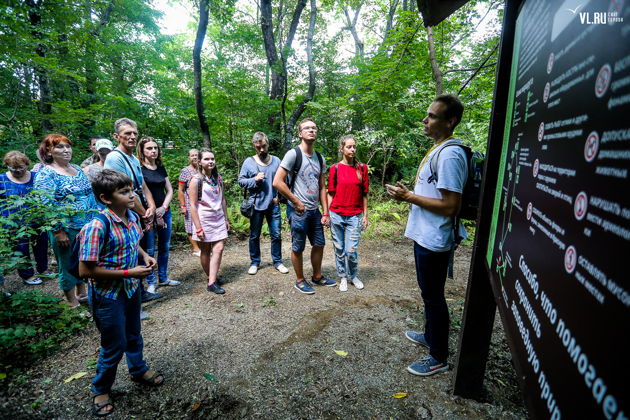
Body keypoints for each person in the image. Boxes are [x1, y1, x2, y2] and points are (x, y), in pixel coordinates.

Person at [386, 94, 468, 377]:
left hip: (435, 239)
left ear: (450, 121)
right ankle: (430, 336)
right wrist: (407, 196)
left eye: (432, 115)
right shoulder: (438, 149)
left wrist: (409, 196)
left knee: (434, 297)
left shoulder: (450, 154)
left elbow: (450, 205)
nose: (425, 119)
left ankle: (438, 357)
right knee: (428, 293)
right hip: (425, 236)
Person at [78, 169, 163, 417]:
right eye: (124, 192)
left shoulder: (132, 219)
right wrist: (128, 274)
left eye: (131, 190)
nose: (131, 195)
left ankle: (138, 369)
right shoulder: (97, 226)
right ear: (106, 198)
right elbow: (85, 270)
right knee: (114, 344)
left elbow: (131, 242)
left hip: (130, 290)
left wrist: (145, 256)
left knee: (134, 333)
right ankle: (101, 388)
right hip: (107, 295)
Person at [34, 134, 99, 307]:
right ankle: (71, 301)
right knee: (67, 263)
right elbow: (46, 205)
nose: (66, 150)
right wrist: (58, 230)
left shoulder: (77, 168)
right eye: (60, 147)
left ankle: (82, 292)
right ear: (49, 150)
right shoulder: (46, 174)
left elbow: (90, 195)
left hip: (86, 226)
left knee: (83, 260)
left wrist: (96, 219)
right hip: (66, 228)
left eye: (68, 146)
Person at [104, 118, 161, 312]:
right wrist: (145, 214)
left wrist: (151, 207)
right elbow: (124, 190)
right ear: (117, 136)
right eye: (127, 133)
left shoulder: (134, 159)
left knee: (142, 251)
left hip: (137, 213)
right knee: (128, 255)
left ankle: (140, 292)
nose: (132, 137)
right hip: (122, 215)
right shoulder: (115, 158)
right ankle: (131, 301)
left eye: (134, 133)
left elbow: (142, 186)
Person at [273, 118, 335, 294]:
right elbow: (277, 182)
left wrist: (326, 212)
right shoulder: (293, 154)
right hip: (298, 210)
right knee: (298, 246)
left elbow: (322, 186)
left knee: (319, 244)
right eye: (307, 128)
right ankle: (300, 280)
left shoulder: (320, 158)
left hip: (315, 210)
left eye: (314, 128)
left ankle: (317, 276)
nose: (311, 130)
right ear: (300, 134)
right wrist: (296, 202)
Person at [238, 132, 289, 275]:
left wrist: (279, 196)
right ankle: (255, 262)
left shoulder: (277, 161)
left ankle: (278, 261)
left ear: (267, 144)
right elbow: (241, 181)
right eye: (258, 147)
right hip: (256, 205)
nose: (261, 150)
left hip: (273, 205)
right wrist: (254, 180)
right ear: (254, 146)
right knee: (254, 235)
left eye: (264, 146)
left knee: (276, 235)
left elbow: (284, 181)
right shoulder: (249, 162)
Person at [0, 151, 51, 292]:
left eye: (21, 167)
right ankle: (27, 275)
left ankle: (43, 269)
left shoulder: (36, 177)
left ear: (27, 164)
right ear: (7, 166)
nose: (18, 171)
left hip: (37, 218)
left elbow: (44, 195)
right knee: (21, 249)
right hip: (14, 222)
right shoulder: (2, 180)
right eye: (13, 168)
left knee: (41, 245)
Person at [137, 137, 180, 293]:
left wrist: (164, 207)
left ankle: (163, 277)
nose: (153, 151)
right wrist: (153, 211)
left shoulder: (161, 167)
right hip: (147, 214)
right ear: (142, 151)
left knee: (164, 246)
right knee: (149, 249)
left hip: (164, 212)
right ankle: (151, 282)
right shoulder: (139, 169)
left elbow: (169, 190)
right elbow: (140, 192)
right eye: (149, 148)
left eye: (155, 148)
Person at [327, 136, 369, 292]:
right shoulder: (335, 168)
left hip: (355, 215)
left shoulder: (362, 168)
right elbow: (330, 193)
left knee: (351, 250)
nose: (352, 149)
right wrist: (326, 214)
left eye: (354, 147)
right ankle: (343, 277)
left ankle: (353, 275)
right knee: (339, 248)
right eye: (349, 147)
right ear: (342, 149)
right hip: (336, 214)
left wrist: (365, 216)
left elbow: (365, 194)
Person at [189, 149, 229, 294]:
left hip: (218, 218)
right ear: (200, 162)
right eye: (206, 159)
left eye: (212, 159)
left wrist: (226, 218)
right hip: (204, 220)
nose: (210, 161)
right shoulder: (196, 180)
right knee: (205, 250)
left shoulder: (218, 178)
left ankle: (212, 281)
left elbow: (222, 199)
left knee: (218, 248)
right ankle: (211, 279)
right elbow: (192, 205)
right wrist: (198, 227)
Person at [178, 149, 201, 256]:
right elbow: (180, 190)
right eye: (192, 156)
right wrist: (183, 206)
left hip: (201, 202)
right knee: (190, 225)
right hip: (189, 201)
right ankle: (196, 249)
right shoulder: (185, 171)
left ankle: (202, 247)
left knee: (200, 223)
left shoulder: (202, 170)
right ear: (189, 158)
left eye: (196, 155)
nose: (195, 157)